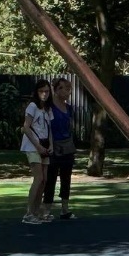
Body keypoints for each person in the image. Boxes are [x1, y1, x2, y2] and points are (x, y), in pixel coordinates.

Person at [21, 79, 54, 224]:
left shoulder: (47, 109)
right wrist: (37, 145)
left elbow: (49, 129)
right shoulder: (32, 106)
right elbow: (26, 127)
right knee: (38, 178)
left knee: (44, 180)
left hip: (44, 145)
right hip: (32, 146)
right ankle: (29, 213)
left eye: (46, 91)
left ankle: (36, 212)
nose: (44, 94)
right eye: (41, 91)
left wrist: (51, 144)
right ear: (37, 92)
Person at [46, 77, 76, 220]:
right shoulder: (49, 107)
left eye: (69, 89)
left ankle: (65, 209)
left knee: (66, 178)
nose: (68, 92)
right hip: (53, 148)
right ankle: (46, 210)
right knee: (50, 178)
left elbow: (69, 127)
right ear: (56, 90)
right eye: (65, 88)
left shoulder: (69, 108)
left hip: (67, 147)